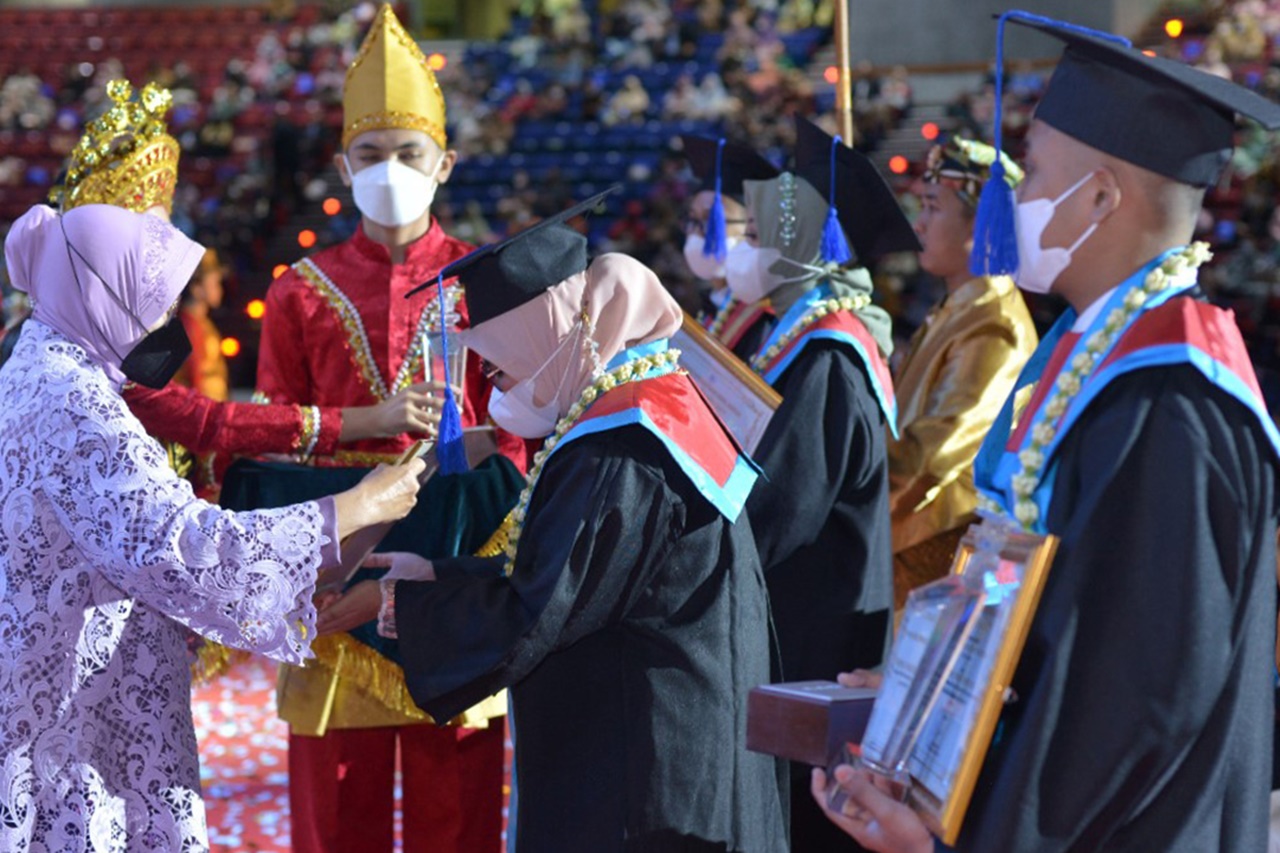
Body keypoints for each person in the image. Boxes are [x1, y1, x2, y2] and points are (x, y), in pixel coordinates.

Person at [815, 13, 1280, 852]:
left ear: (1101, 198)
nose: (1015, 198)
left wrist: (959, 837)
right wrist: (930, 696)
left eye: (1032, 176)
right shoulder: (1083, 357)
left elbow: (1135, 697)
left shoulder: (1168, 399)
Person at [317, 191, 787, 853]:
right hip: (683, 719)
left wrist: (396, 603)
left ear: (550, 332)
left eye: (500, 356)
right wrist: (436, 572)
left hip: (642, 759)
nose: (492, 376)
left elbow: (540, 607)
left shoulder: (619, 446)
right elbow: (575, 573)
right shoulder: (649, 397)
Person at [0, 202, 425, 851]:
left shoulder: (41, 365)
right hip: (69, 728)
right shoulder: (73, 401)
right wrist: (362, 504)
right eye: (153, 300)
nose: (167, 323)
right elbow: (186, 548)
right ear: (101, 292)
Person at [251, 6, 523, 850]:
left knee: (459, 809)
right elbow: (268, 433)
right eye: (370, 155)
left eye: (409, 154)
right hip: (335, 584)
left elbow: (515, 439)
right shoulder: (298, 289)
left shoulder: (490, 282)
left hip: (455, 578)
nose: (390, 171)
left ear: (445, 162)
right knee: (339, 815)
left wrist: (474, 559)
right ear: (342, 165)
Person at [726, 115, 920, 852]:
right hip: (802, 619)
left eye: (764, 236)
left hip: (820, 637)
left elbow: (778, 506)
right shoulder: (798, 338)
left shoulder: (831, 355)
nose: (749, 250)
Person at [888, 138, 1038, 606]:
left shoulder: (994, 324)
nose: (919, 223)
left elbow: (931, 460)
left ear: (982, 222)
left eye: (933, 208)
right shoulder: (961, 306)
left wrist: (842, 485)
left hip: (929, 549)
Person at [680, 134, 780, 359]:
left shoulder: (767, 319)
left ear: (754, 227)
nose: (696, 233)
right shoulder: (708, 309)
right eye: (693, 220)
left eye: (711, 221)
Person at [176, 247, 229, 401]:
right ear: (196, 288)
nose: (219, 289)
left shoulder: (201, 321)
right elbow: (195, 375)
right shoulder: (189, 324)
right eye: (215, 283)